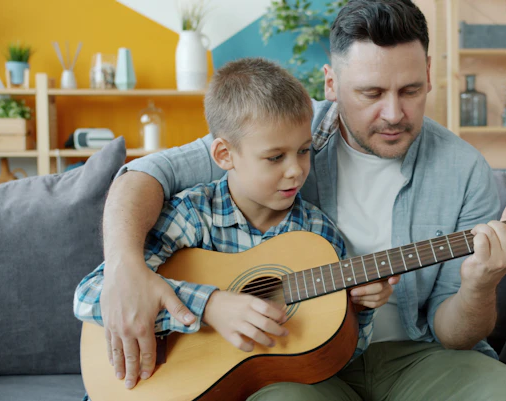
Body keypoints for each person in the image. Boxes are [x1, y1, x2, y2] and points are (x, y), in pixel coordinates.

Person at [97, 1, 506, 399]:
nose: (393, 113)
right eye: (370, 93)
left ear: (429, 75)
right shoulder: (283, 131)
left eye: (410, 90)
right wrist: (124, 268)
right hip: (296, 359)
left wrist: (480, 284)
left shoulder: (464, 170)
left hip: (416, 356)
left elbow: (455, 335)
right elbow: (146, 173)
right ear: (331, 83)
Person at [73, 57, 385, 391]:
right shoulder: (192, 215)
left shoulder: (319, 235)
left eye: (304, 151)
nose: (295, 170)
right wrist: (209, 305)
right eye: (275, 157)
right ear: (224, 155)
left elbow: (339, 358)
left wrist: (357, 310)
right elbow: (89, 295)